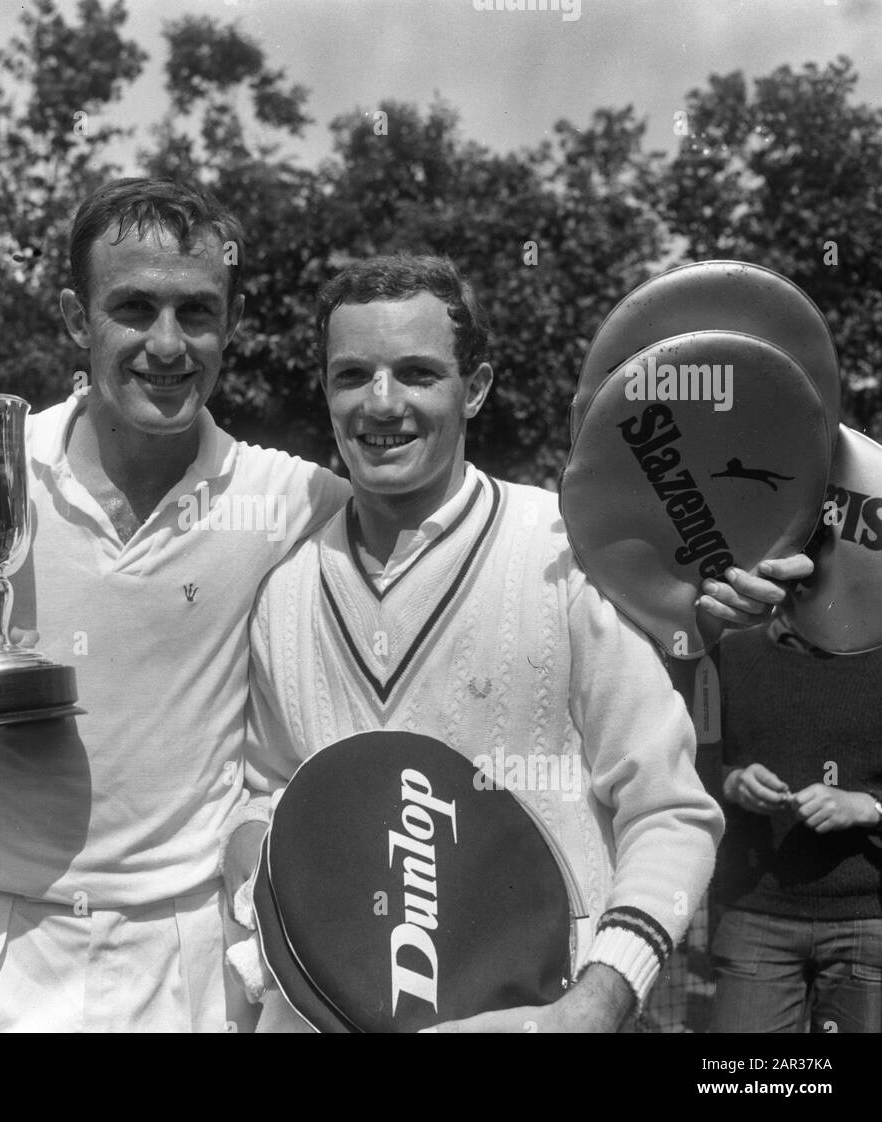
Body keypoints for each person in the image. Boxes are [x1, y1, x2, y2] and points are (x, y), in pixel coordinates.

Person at [221, 254, 812, 1033]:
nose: (382, 401)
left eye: (419, 372)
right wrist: (259, 887)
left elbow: (669, 811)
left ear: (479, 387)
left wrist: (594, 1005)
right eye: (353, 373)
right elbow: (267, 791)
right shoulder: (285, 590)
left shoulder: (569, 556)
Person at [0, 178, 351, 1032]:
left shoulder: (293, 500)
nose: (168, 345)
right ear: (76, 319)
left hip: (189, 965)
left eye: (198, 313)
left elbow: (427, 530)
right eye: (133, 308)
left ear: (232, 325)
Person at [709, 616, 882, 1033]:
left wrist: (867, 807)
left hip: (869, 921)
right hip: (756, 914)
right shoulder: (732, 654)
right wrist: (732, 781)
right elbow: (687, 766)